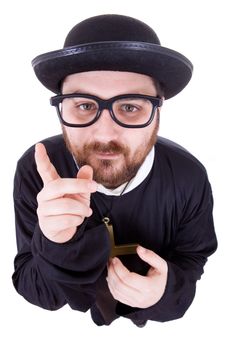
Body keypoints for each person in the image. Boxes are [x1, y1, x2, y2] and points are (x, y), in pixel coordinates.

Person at [12, 14, 217, 327]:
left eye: (130, 107)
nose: (104, 133)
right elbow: (37, 292)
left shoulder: (189, 177)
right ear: (61, 109)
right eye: (84, 105)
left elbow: (192, 259)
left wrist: (161, 295)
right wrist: (53, 241)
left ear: (157, 109)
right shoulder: (38, 171)